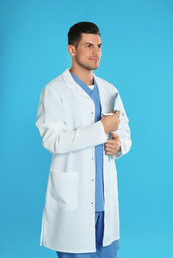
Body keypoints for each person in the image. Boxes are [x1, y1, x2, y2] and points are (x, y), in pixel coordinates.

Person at [36, 21, 131, 258]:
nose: (96, 52)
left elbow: (126, 132)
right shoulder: (54, 90)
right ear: (72, 50)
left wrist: (119, 145)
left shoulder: (110, 90)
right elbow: (53, 140)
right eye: (88, 46)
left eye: (99, 45)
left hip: (105, 204)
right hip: (74, 204)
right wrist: (101, 129)